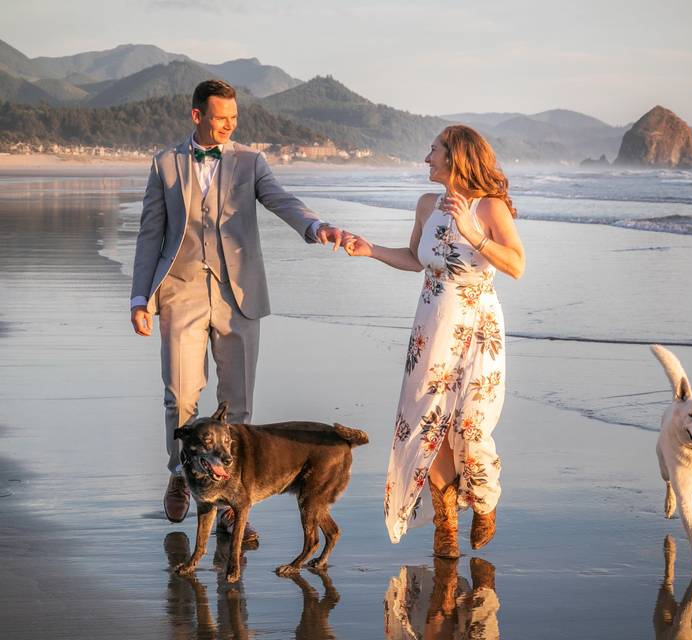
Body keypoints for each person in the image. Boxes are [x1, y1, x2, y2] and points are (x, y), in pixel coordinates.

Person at [130, 79, 344, 540]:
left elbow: (281, 200)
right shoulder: (166, 164)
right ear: (197, 116)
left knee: (239, 403)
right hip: (180, 291)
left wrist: (314, 225)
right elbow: (150, 233)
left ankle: (233, 501)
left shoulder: (250, 161)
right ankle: (180, 473)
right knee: (181, 396)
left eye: (234, 119)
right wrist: (139, 299)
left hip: (239, 295)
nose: (229, 125)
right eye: (220, 118)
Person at [344, 125, 524, 557]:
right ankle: (446, 523)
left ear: (456, 157)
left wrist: (472, 230)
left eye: (433, 151)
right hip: (432, 326)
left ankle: (484, 500)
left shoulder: (489, 207)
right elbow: (414, 258)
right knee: (431, 423)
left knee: (470, 422)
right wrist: (370, 250)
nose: (427, 158)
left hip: (479, 329)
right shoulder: (426, 205)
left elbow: (516, 264)